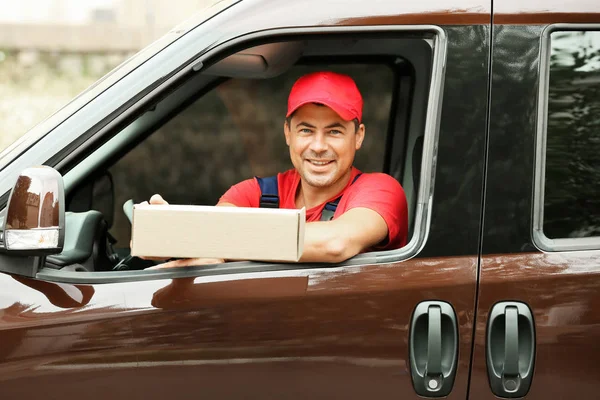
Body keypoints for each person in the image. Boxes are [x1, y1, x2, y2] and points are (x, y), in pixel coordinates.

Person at [147, 71, 408, 269]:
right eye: (306, 130)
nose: (318, 146)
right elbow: (212, 251)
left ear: (358, 137)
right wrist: (171, 237)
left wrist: (202, 237)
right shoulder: (252, 194)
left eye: (334, 132)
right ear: (288, 134)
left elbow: (335, 243)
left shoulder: (380, 190)